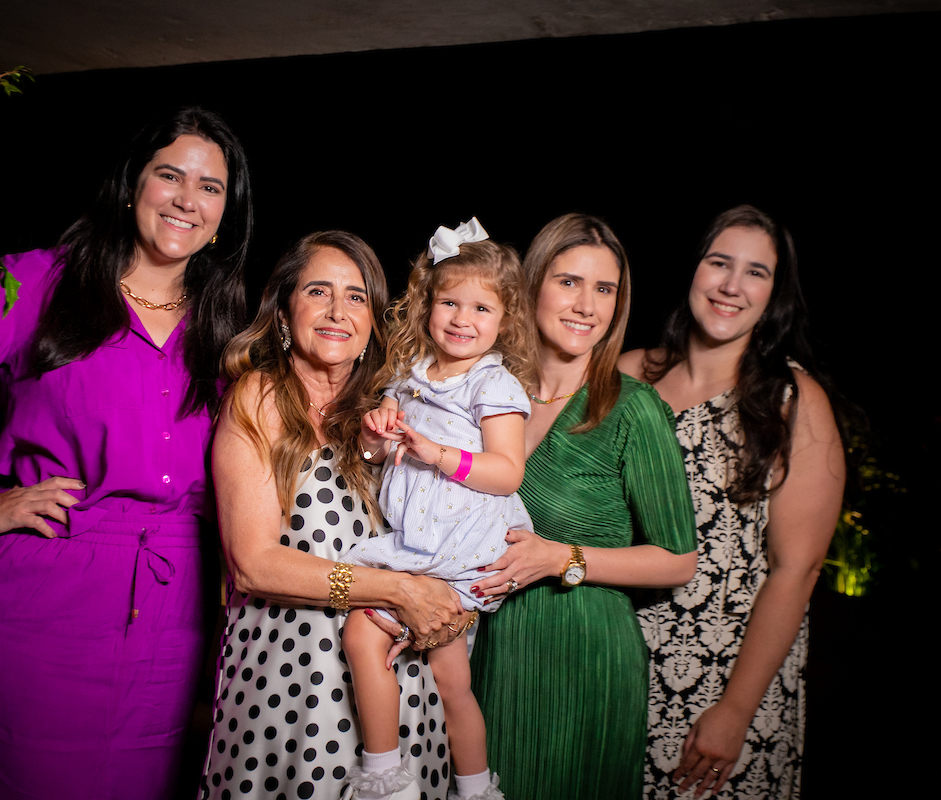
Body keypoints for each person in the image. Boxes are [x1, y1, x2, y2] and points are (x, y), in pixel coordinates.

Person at [0, 106, 253, 799]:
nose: (188, 199)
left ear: (226, 211)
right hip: (48, 597)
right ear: (132, 187)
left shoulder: (226, 324)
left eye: (210, 187)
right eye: (170, 176)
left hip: (178, 605)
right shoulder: (37, 282)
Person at [199, 231, 471, 800]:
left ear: (375, 318)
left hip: (400, 679)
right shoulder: (260, 397)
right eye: (318, 291)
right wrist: (398, 590)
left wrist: (465, 595)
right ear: (284, 308)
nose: (336, 311)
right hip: (293, 682)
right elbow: (253, 565)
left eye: (355, 297)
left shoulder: (395, 410)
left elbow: (456, 522)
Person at [468, 213, 698, 799]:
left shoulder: (633, 409)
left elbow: (677, 561)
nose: (587, 305)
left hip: (584, 658)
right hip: (483, 651)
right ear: (532, 285)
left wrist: (561, 558)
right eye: (569, 282)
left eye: (605, 289)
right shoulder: (484, 393)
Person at [618, 205, 845, 800]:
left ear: (774, 295)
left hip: (723, 684)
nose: (731, 286)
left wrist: (736, 710)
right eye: (719, 263)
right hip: (614, 665)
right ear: (694, 269)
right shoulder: (627, 374)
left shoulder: (792, 401)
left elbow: (798, 571)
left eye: (756, 273)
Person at [339, 218, 538, 800]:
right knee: (450, 679)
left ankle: (389, 776)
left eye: (481, 309)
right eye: (450, 302)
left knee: (364, 636)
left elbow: (507, 471)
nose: (462, 319)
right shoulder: (407, 378)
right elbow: (379, 454)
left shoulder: (492, 383)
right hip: (418, 538)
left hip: (456, 543)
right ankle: (461, 786)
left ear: (505, 321)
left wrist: (439, 453)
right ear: (427, 304)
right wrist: (377, 432)